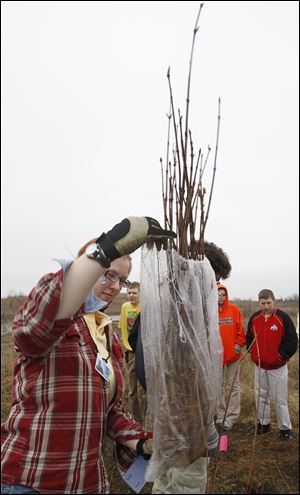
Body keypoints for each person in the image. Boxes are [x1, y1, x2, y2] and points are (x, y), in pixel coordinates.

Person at [1, 216, 176, 494]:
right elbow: (32, 331)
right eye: (106, 273)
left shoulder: (107, 335)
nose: (114, 286)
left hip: (86, 482)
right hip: (32, 478)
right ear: (86, 266)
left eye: (120, 279)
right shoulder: (60, 318)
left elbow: (109, 412)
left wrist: (142, 443)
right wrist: (104, 250)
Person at [132, 241, 232, 494]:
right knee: (183, 482)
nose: (213, 287)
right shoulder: (175, 313)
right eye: (212, 279)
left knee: (167, 481)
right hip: (183, 420)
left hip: (172, 417)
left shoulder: (176, 306)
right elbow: (145, 362)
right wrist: (179, 400)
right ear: (196, 271)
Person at [246, 289, 298, 440]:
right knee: (260, 396)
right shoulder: (255, 318)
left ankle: (284, 429)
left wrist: (280, 356)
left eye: (269, 303)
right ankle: (264, 424)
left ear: (274, 301)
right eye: (263, 303)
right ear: (259, 303)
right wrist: (254, 354)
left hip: (278, 367)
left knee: (279, 399)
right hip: (260, 366)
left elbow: (292, 341)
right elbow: (249, 338)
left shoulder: (283, 318)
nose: (266, 306)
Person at [215, 284, 245, 430]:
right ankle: (220, 416)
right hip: (216, 356)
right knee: (218, 387)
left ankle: (232, 417)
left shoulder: (234, 310)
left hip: (233, 355)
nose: (221, 297)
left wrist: (238, 346)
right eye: (218, 294)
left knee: (233, 386)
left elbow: (240, 330)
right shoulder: (209, 311)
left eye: (223, 294)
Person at [118, 282, 147, 425]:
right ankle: (137, 421)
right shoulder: (125, 307)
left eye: (134, 293)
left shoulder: (145, 307)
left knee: (143, 390)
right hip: (130, 352)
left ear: (141, 293)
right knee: (132, 391)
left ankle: (147, 422)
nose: (131, 295)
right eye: (129, 293)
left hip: (142, 353)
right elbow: (123, 328)